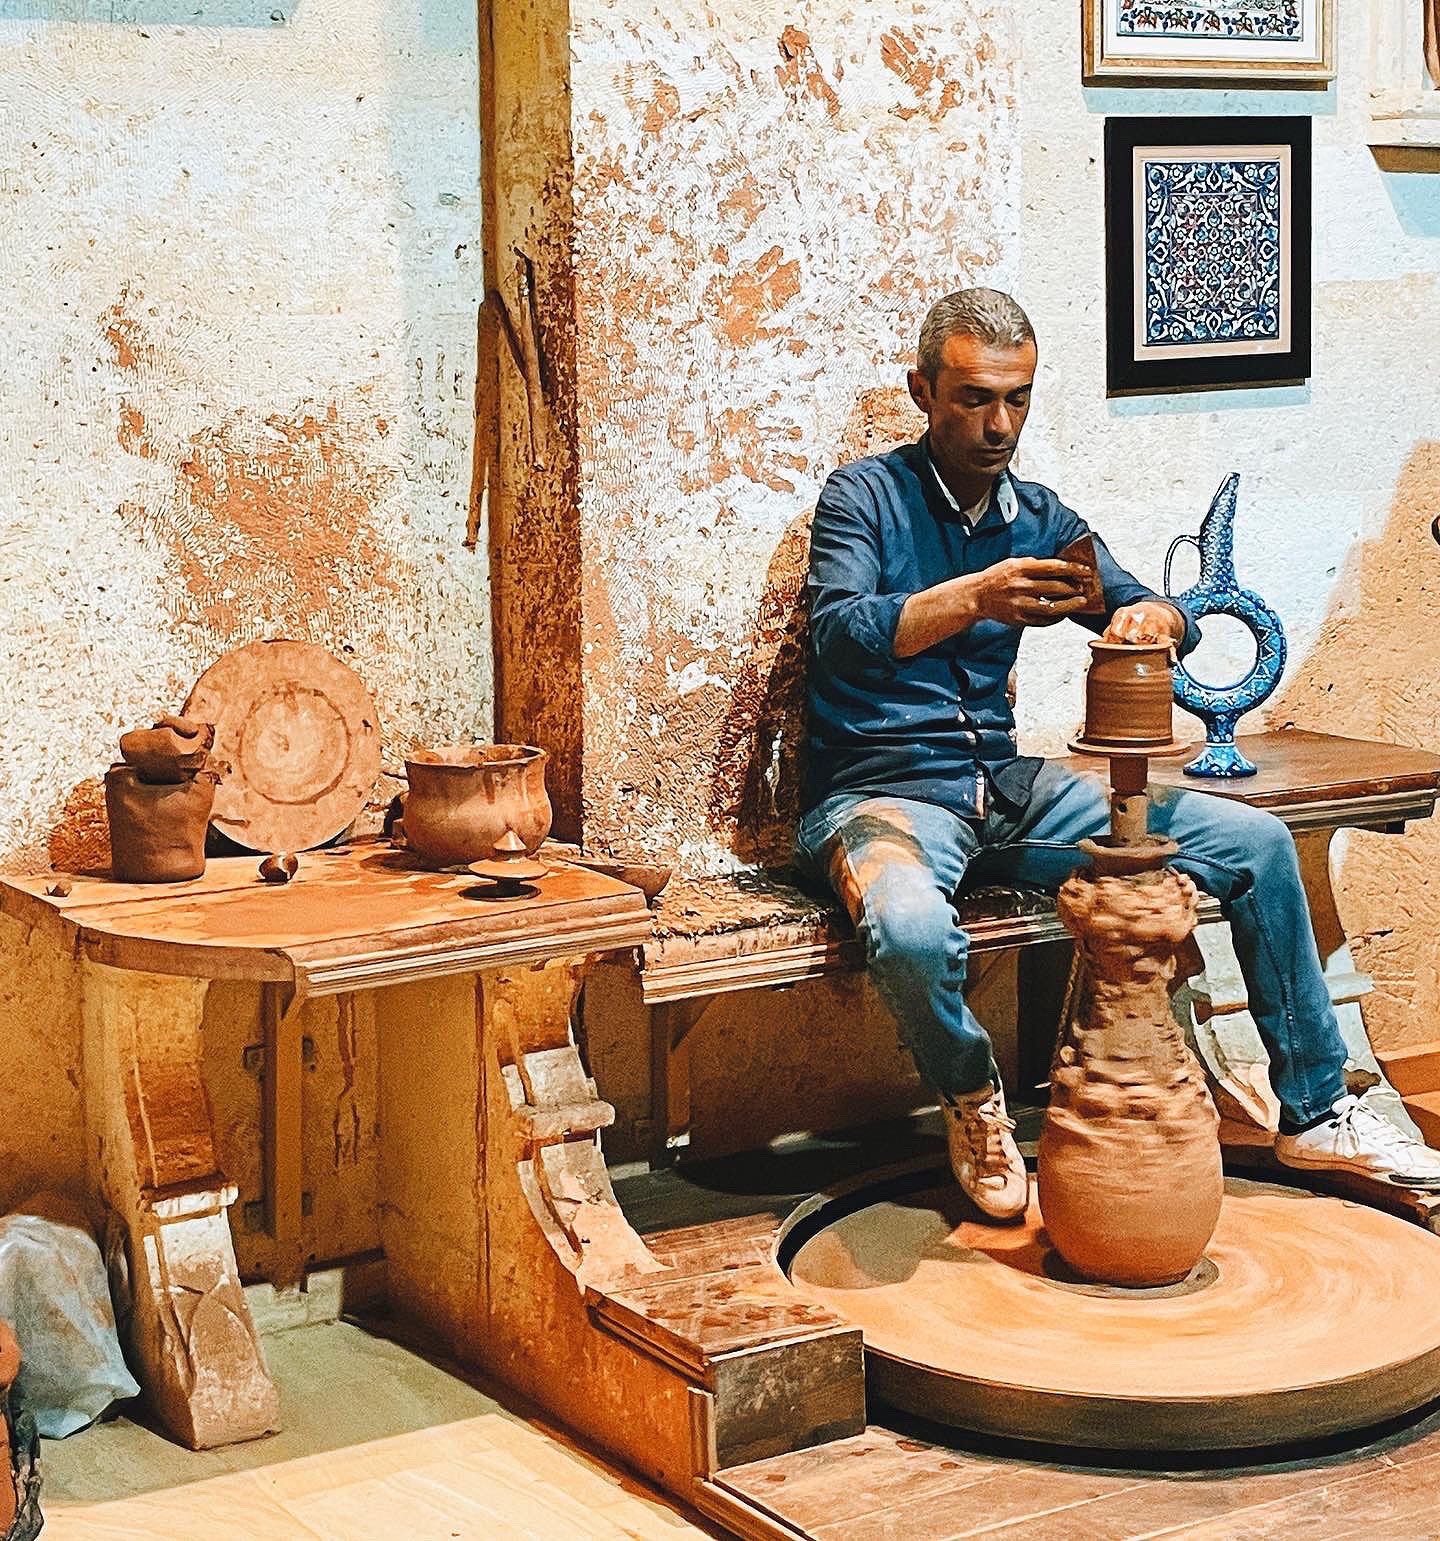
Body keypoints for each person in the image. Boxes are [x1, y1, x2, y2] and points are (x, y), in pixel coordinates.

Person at [796, 286, 1440, 1220]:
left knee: (1256, 847)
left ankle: (1315, 1108)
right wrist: (974, 596)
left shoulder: (1038, 516)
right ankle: (974, 1098)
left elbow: (1142, 600)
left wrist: (1157, 617)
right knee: (909, 929)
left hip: (1006, 791)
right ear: (922, 390)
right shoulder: (867, 496)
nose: (998, 423)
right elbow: (841, 633)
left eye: (1017, 398)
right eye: (974, 397)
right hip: (881, 795)